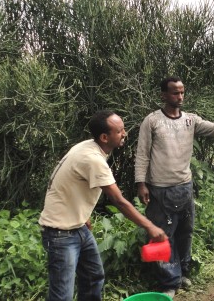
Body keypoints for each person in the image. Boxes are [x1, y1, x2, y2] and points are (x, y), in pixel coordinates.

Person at [135, 76, 214, 298]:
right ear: (163, 95)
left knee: (185, 232)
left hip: (184, 187)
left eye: (182, 92)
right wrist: (141, 184)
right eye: (174, 93)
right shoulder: (152, 121)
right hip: (160, 188)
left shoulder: (190, 120)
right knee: (162, 235)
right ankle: (168, 282)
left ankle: (181, 273)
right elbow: (142, 153)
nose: (179, 97)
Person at [39, 110, 167, 301]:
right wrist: (150, 226)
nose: (125, 133)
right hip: (60, 233)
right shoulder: (93, 159)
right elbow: (119, 201)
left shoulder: (88, 147)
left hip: (78, 227)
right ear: (104, 137)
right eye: (120, 131)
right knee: (61, 295)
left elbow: (68, 182)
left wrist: (84, 215)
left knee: (93, 277)